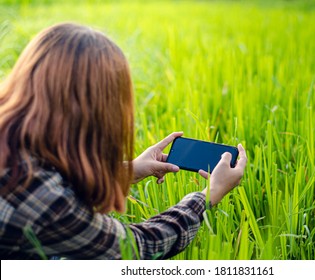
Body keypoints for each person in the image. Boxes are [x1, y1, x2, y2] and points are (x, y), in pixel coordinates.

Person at [0, 23, 247, 259]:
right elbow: (136, 248)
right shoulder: (40, 195)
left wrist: (129, 170)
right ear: (95, 109)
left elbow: (52, 174)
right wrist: (208, 195)